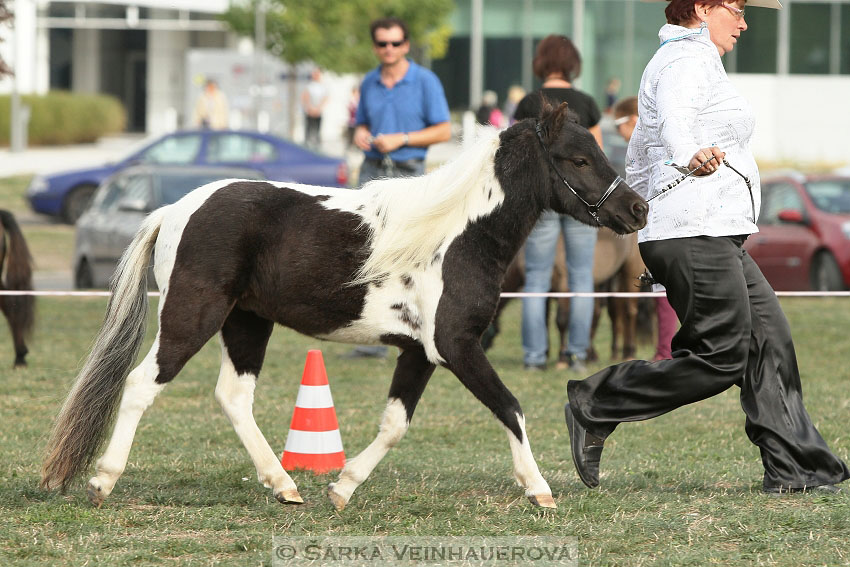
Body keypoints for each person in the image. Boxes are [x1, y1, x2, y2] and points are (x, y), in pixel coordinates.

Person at [564, 0, 849, 495]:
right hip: (689, 232)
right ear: (701, 8)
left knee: (770, 343)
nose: (744, 22)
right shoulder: (683, 59)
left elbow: (650, 144)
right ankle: (595, 402)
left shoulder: (699, 60)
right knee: (722, 356)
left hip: (710, 230)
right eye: (736, 10)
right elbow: (676, 121)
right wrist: (687, 153)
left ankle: (800, 468)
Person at [344, 16, 451, 359]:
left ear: (405, 46)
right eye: (381, 43)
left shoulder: (425, 81)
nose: (388, 49)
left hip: (409, 173)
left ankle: (417, 334)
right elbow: (361, 123)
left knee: (411, 256)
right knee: (366, 253)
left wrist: (402, 138)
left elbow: (444, 131)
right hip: (372, 173)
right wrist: (360, 133)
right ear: (375, 46)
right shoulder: (370, 81)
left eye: (394, 43)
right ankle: (370, 340)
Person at [513, 34, 603, 372]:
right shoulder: (587, 102)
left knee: (536, 277)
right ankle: (577, 354)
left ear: (540, 63)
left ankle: (534, 358)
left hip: (543, 201)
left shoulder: (526, 104)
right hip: (582, 201)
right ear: (573, 64)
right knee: (582, 276)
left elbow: (517, 154)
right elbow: (597, 159)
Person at [612, 95, 678, 361]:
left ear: (633, 121)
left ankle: (665, 352)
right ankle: (666, 349)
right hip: (656, 226)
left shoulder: (653, 146)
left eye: (620, 128)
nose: (620, 135)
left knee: (665, 290)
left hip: (665, 225)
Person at [301, 68, 328, 150]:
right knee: (308, 130)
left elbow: (325, 98)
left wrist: (318, 109)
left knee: (317, 130)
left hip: (318, 112)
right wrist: (310, 108)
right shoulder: (309, 86)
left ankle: (317, 146)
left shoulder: (323, 87)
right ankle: (307, 146)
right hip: (309, 111)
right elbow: (305, 97)